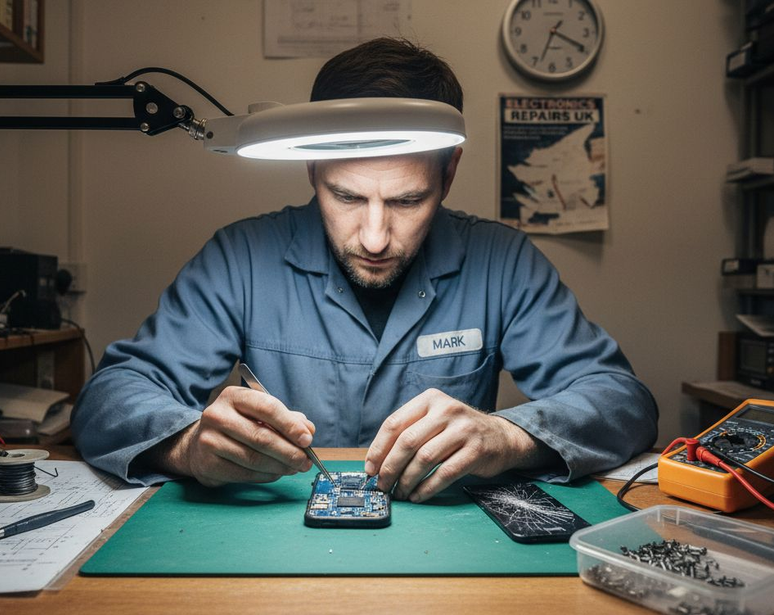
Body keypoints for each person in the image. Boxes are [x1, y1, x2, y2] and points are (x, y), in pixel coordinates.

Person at [73, 38, 658, 502]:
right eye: (348, 197)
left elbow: (623, 403)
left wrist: (507, 437)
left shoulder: (503, 261)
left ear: (448, 173)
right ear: (309, 168)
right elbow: (108, 400)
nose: (376, 237)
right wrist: (188, 446)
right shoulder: (240, 257)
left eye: (406, 202)